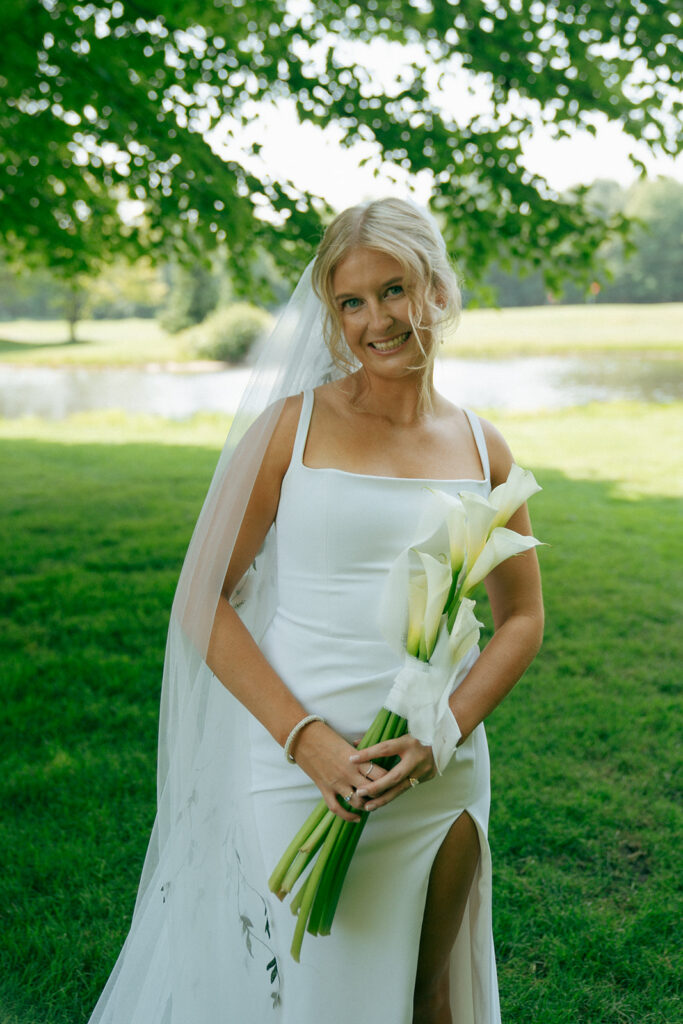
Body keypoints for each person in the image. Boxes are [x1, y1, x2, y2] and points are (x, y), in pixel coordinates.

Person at [87, 198, 543, 1024]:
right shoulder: (289, 431)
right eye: (351, 301)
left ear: (437, 289)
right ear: (330, 316)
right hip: (304, 775)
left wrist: (445, 733)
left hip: (437, 773)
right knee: (331, 1002)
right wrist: (308, 744)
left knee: (427, 995)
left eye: (395, 289)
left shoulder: (485, 448)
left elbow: (520, 619)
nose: (378, 319)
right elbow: (202, 599)